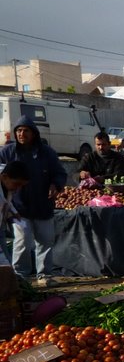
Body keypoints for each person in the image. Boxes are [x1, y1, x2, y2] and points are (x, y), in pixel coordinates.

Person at [0, 116, 67, 285]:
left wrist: (55, 184)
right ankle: (20, 277)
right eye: (19, 130)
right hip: (18, 207)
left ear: (34, 133)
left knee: (45, 241)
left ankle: (44, 275)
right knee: (22, 242)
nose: (22, 134)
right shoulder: (7, 152)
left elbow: (60, 173)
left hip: (43, 205)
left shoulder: (47, 153)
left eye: (26, 131)